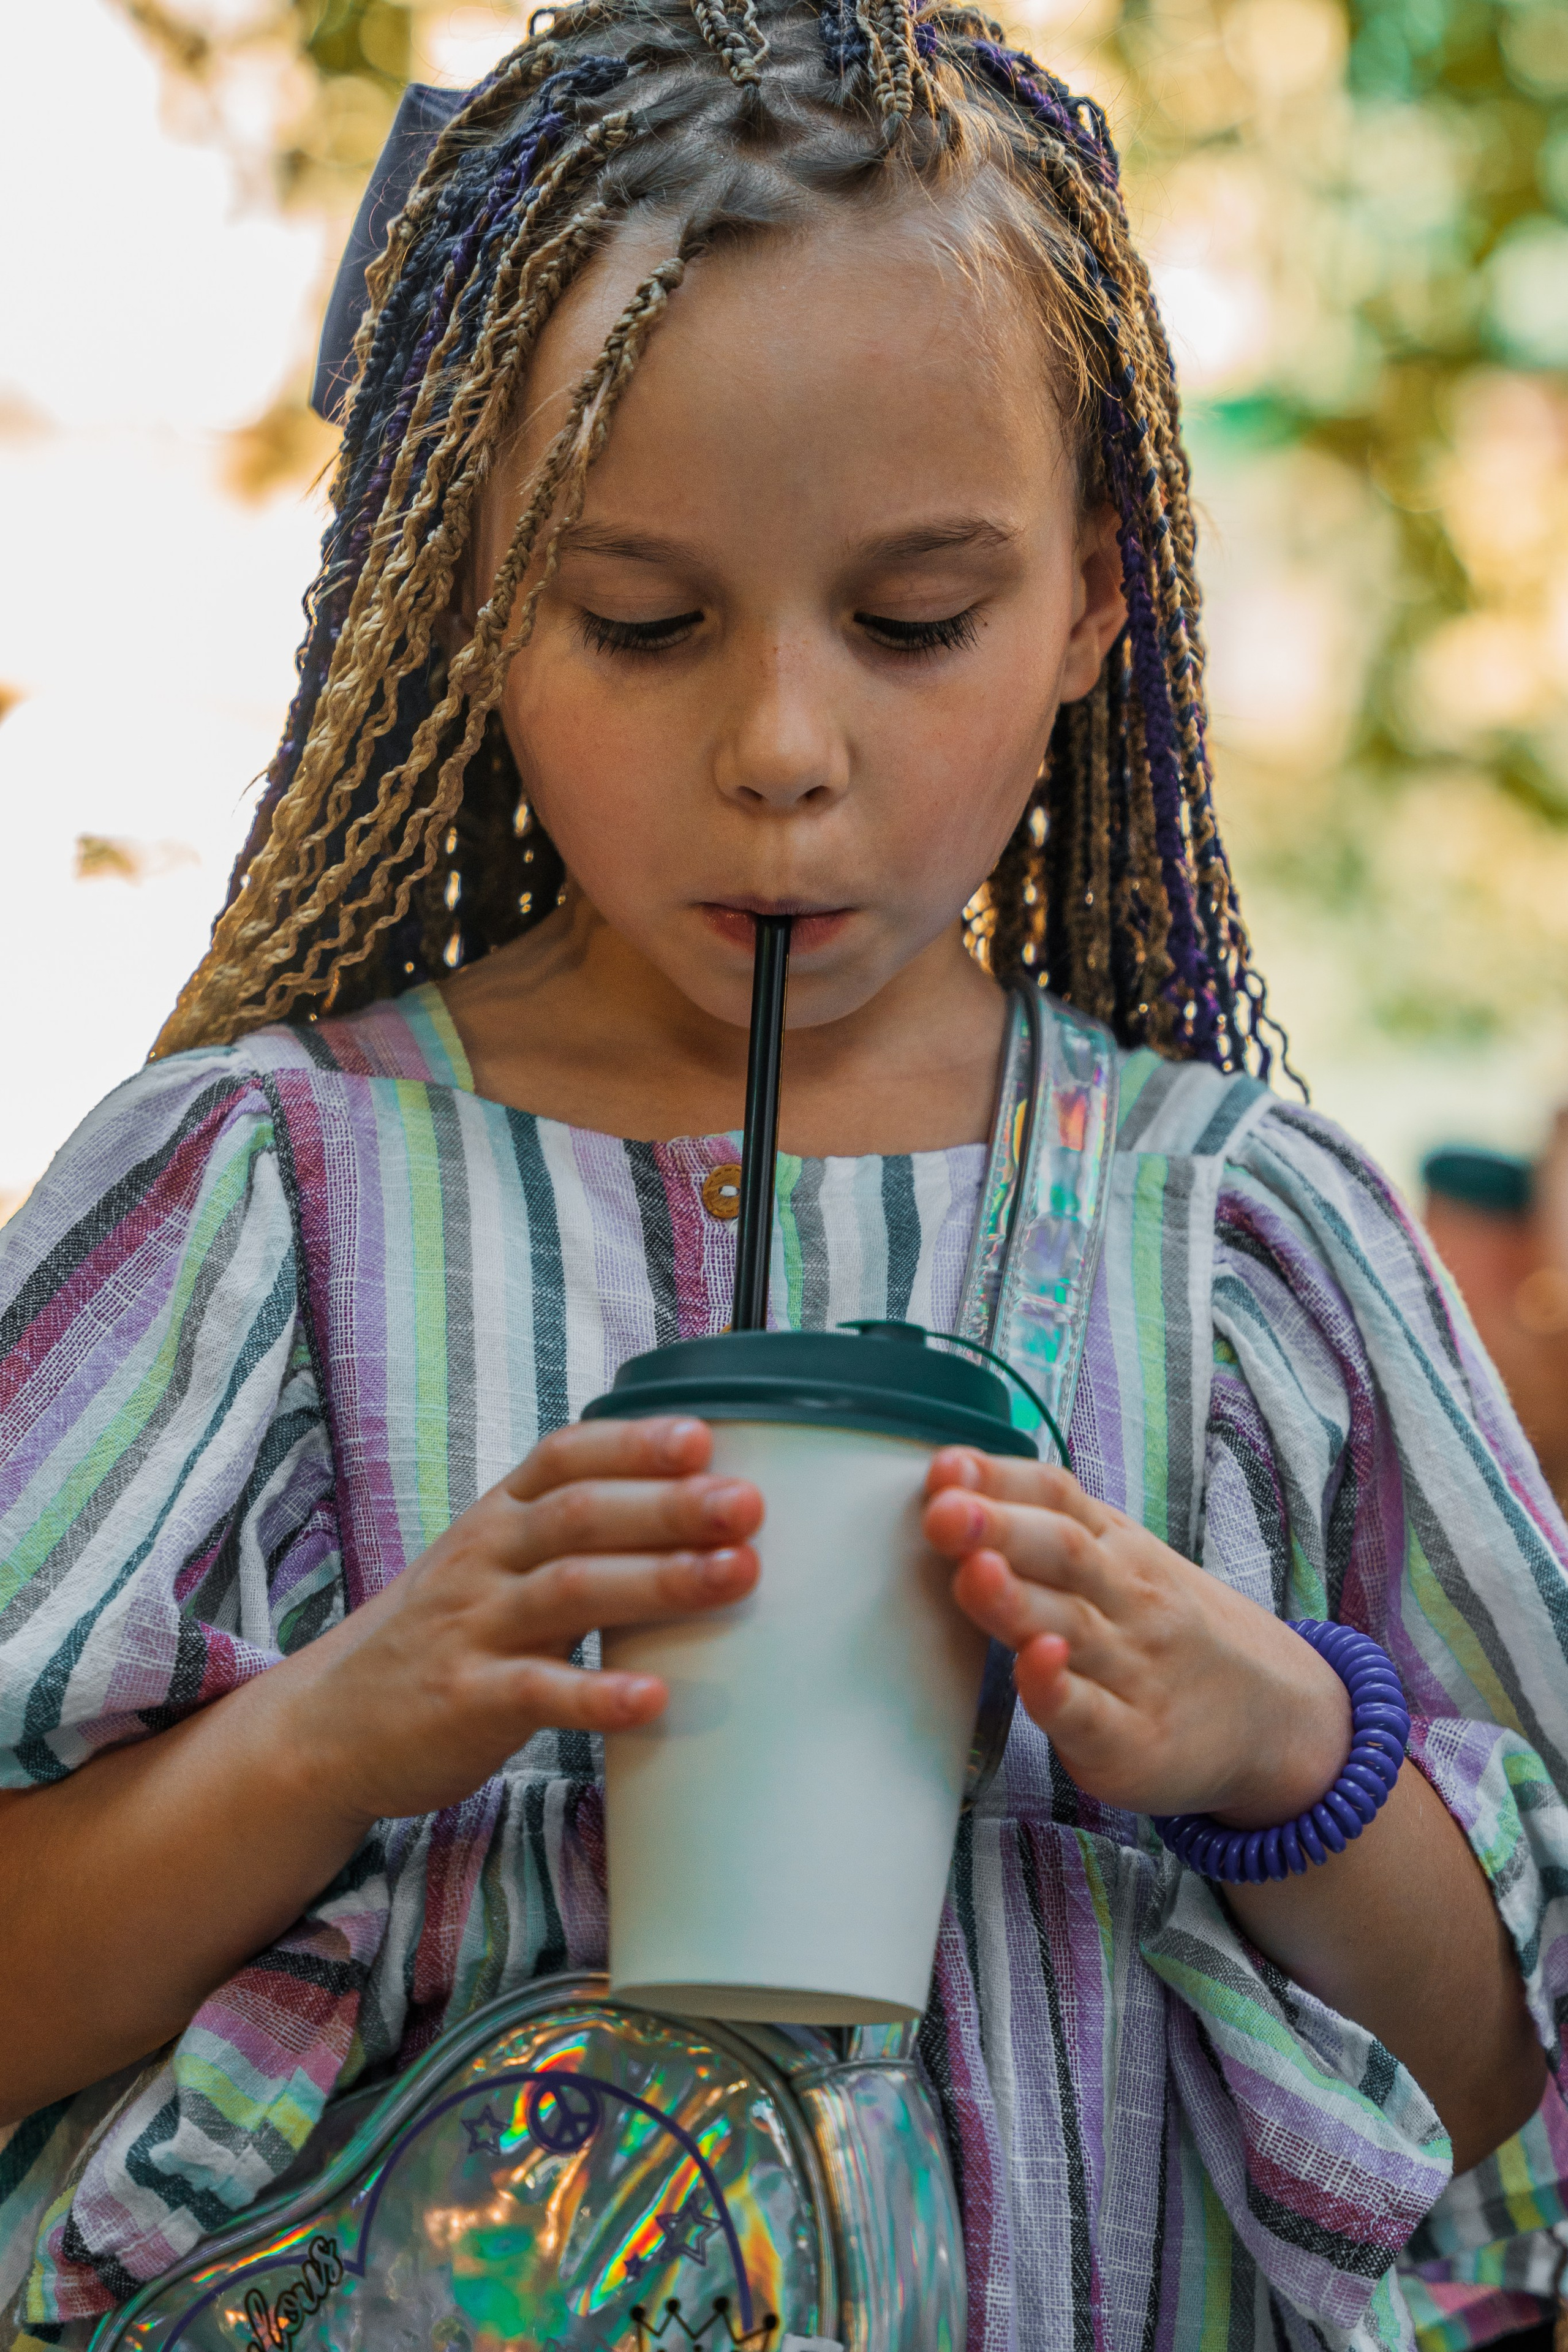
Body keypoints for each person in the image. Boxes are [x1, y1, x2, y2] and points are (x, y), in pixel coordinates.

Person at [2, 4, 1567, 2344]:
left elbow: (1503, 2103)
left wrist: (1287, 1749)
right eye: (640, 621)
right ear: (465, 600)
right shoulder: (255, 1195)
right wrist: (338, 1729)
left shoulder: (1252, 1244)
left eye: (916, 619)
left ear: (1097, 602)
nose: (781, 749)